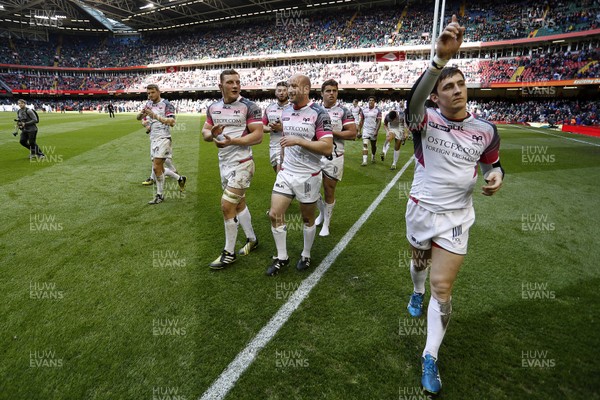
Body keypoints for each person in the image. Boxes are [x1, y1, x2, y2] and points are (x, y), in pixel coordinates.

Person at [403, 15, 504, 395]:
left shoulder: (486, 130)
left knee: (441, 287)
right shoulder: (423, 119)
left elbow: (492, 162)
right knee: (418, 263)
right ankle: (414, 292)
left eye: (461, 84)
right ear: (436, 95)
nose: (457, 90)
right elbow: (410, 101)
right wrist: (438, 62)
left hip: (457, 218)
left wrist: (497, 176)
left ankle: (430, 356)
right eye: (449, 86)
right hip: (421, 209)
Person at [266, 74, 333, 276]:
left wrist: (299, 141)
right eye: (288, 86)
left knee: (307, 218)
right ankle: (282, 257)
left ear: (306, 89)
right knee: (274, 214)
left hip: (308, 175)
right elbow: (286, 141)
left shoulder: (319, 113)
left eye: (294, 86)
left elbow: (327, 147)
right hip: (286, 173)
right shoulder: (285, 111)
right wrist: (281, 163)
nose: (290, 90)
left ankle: (305, 254)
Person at [201, 69, 264, 269]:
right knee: (239, 205)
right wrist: (212, 134)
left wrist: (233, 141)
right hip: (224, 164)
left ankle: (228, 253)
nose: (235, 85)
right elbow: (204, 132)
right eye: (230, 82)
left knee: (227, 206)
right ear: (221, 86)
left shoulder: (250, 107)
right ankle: (252, 240)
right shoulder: (213, 107)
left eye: (237, 82)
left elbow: (258, 136)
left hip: (243, 163)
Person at [314, 79, 356, 237]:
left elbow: (352, 133)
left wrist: (331, 132)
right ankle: (321, 213)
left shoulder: (344, 111)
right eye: (328, 91)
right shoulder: (314, 110)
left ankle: (326, 224)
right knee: (310, 187)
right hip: (315, 155)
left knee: (328, 189)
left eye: (334, 91)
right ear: (322, 93)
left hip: (334, 156)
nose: (331, 93)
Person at [136, 84, 186, 205]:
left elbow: (172, 122)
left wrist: (154, 116)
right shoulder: (148, 104)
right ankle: (180, 178)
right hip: (153, 139)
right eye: (148, 93)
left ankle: (160, 195)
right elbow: (139, 118)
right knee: (160, 168)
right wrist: (143, 116)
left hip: (164, 138)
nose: (150, 95)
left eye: (152, 92)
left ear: (159, 92)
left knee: (156, 167)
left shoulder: (166, 104)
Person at [262, 81, 289, 173]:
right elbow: (262, 125)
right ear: (275, 92)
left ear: (288, 92)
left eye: (284, 90)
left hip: (287, 146)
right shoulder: (269, 108)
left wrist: (281, 128)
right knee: (280, 177)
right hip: (273, 147)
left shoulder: (293, 108)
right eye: (279, 90)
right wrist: (270, 129)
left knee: (280, 179)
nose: (282, 93)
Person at [358, 96, 382, 165]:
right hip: (366, 130)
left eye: (372, 100)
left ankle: (373, 156)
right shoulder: (364, 110)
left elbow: (379, 121)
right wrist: (359, 131)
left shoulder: (378, 110)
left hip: (373, 130)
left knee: (373, 146)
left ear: (375, 102)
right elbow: (361, 121)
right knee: (365, 144)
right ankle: (364, 161)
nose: (371, 101)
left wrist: (376, 131)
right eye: (369, 100)